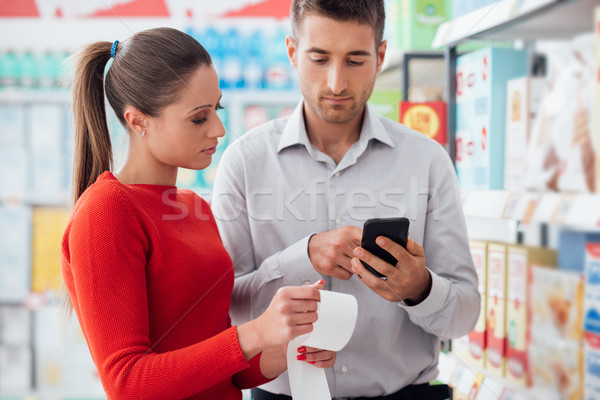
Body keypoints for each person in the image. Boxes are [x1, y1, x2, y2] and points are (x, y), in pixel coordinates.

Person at [211, 1, 480, 399]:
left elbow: (464, 315)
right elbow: (223, 307)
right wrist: (302, 256)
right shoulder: (244, 160)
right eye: (319, 59)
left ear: (380, 56)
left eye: (355, 61)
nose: (336, 83)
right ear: (292, 52)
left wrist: (419, 288)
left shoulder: (427, 161)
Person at [60, 27, 336, 400]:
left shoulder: (193, 208)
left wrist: (287, 348)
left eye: (217, 109)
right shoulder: (106, 211)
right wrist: (256, 332)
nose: (219, 129)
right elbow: (127, 383)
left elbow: (225, 372)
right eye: (198, 118)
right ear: (139, 121)